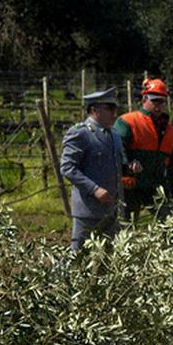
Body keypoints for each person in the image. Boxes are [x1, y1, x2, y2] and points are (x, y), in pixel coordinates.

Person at [59, 88, 140, 252]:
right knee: (79, 256)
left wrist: (130, 167)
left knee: (108, 260)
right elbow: (67, 168)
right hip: (88, 210)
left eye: (115, 108)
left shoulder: (114, 135)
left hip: (111, 209)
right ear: (94, 110)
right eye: (109, 108)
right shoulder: (81, 133)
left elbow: (116, 165)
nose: (114, 113)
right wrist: (94, 189)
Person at [115, 78, 173, 221]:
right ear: (144, 99)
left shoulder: (168, 130)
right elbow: (116, 149)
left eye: (162, 101)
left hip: (156, 186)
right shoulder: (128, 121)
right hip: (129, 186)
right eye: (155, 100)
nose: (158, 105)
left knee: (169, 224)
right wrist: (128, 165)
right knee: (125, 228)